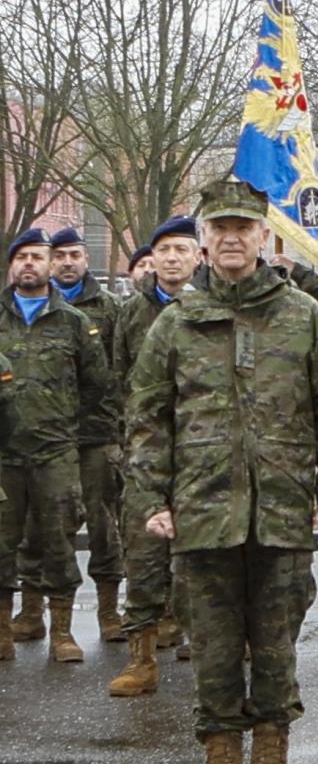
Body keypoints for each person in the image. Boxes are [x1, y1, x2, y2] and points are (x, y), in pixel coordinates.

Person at [127, 179, 318, 764]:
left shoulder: (304, 315)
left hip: (282, 511)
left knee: (277, 647)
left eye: (242, 228)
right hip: (201, 512)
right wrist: (152, 496)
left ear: (264, 238)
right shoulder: (176, 322)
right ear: (203, 242)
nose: (230, 238)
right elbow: (147, 416)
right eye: (218, 229)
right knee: (215, 649)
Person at [1, 228, 111, 664]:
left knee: (59, 540)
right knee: (2, 541)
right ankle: (6, 630)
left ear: (50, 267)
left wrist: (70, 433)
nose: (29, 263)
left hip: (56, 453)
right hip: (3, 455)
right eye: (21, 256)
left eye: (37, 257)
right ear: (11, 265)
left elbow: (97, 387)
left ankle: (62, 631)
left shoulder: (75, 323)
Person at [107, 216, 202, 695]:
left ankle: (202, 643)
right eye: (163, 249)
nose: (170, 258)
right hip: (147, 449)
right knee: (142, 553)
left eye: (181, 249)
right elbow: (119, 373)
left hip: (197, 450)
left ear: (197, 258)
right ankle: (141, 658)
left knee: (197, 556)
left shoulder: (207, 309)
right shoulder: (132, 312)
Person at [44, 227, 126, 643]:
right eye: (58, 256)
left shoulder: (109, 307)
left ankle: (109, 611)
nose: (67, 262)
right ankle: (33, 613)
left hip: (97, 435)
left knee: (103, 524)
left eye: (74, 254)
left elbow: (119, 369)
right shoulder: (36, 308)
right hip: (46, 438)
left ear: (85, 258)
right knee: (49, 525)